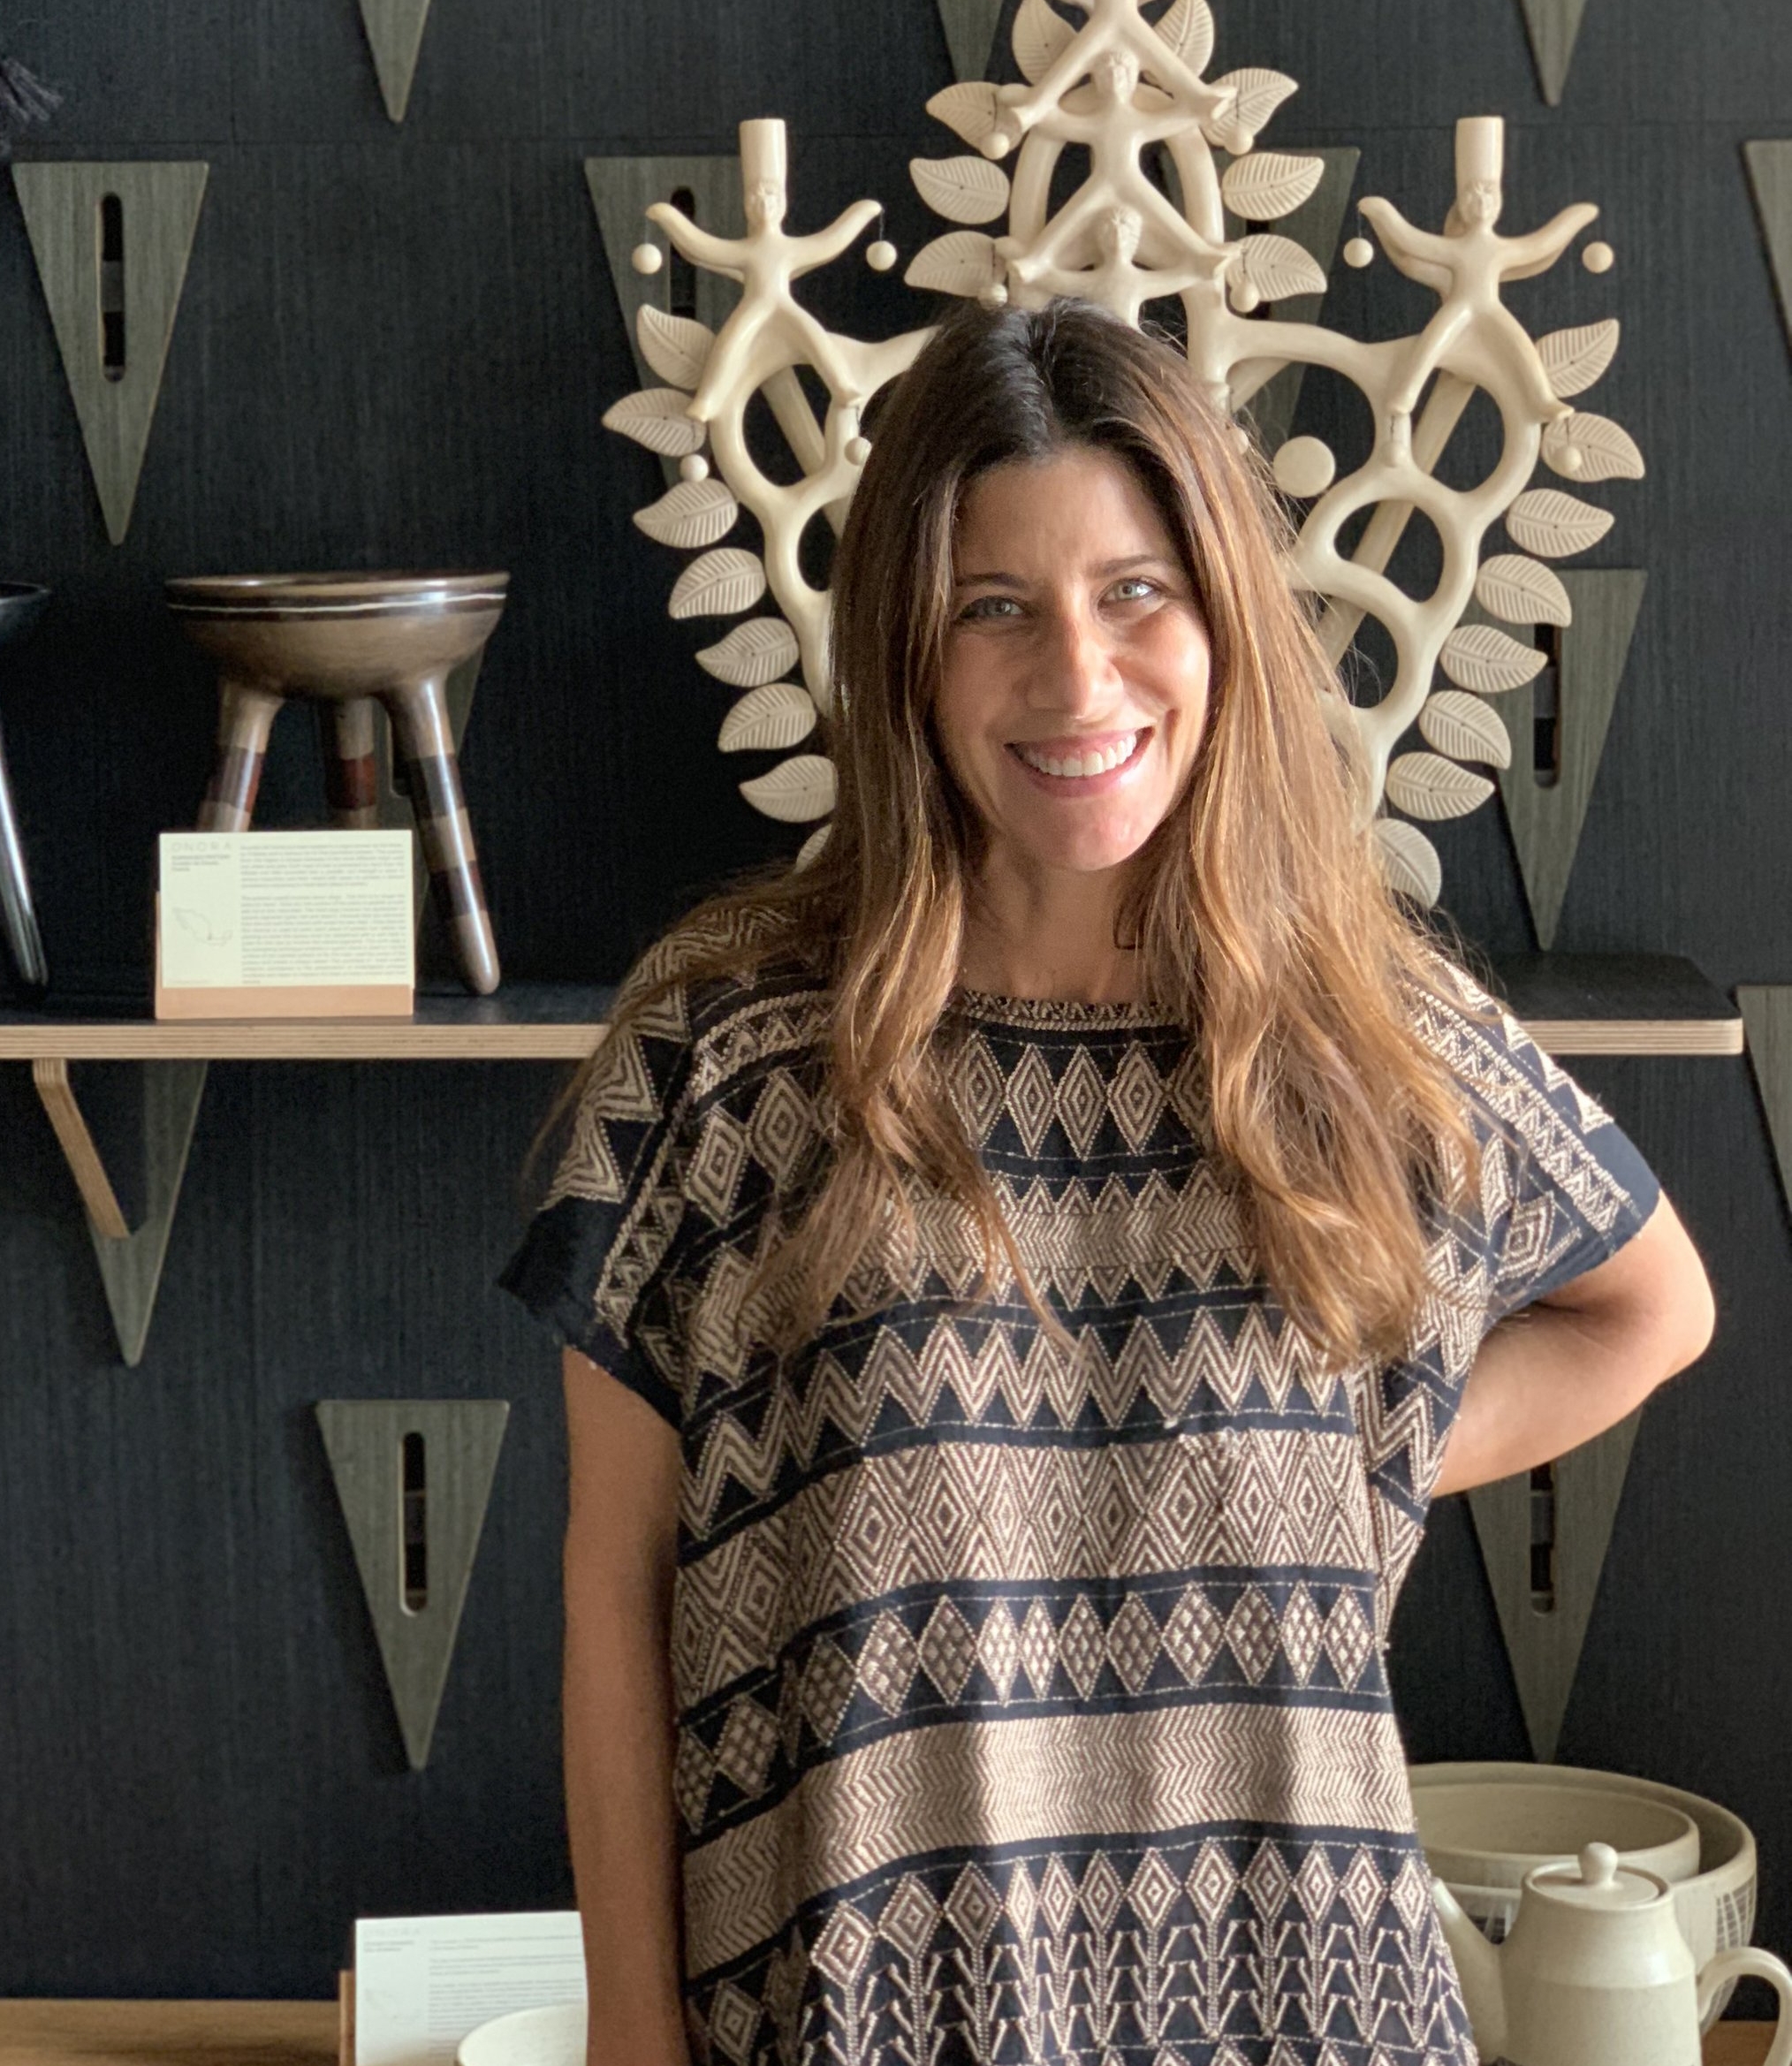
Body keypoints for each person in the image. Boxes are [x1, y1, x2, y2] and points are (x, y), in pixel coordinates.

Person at [503, 298, 1712, 2066]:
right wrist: (633, 2027)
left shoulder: (1364, 1036)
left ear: (1223, 615)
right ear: (906, 652)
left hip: (1303, 2009)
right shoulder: (726, 1058)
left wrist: (1323, 1451)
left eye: (1134, 590)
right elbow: (615, 1579)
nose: (1074, 678)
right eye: (991, 606)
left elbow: (1653, 1309)